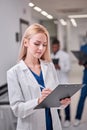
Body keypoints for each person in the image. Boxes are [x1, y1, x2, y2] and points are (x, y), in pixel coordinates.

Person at [7, 23, 70, 130]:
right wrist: (38, 101)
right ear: (26, 42)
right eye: (37, 44)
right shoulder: (14, 73)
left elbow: (55, 100)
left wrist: (63, 102)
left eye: (44, 45)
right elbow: (17, 109)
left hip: (53, 125)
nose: (41, 48)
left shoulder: (49, 67)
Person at [51, 38, 71, 128]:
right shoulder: (50, 56)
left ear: (59, 46)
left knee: (66, 102)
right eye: (53, 47)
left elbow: (68, 68)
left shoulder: (65, 55)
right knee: (56, 103)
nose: (54, 48)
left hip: (64, 82)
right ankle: (58, 118)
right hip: (54, 83)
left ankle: (67, 119)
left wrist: (60, 67)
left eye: (56, 47)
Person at [74, 38, 87, 126]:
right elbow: (80, 62)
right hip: (86, 75)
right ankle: (77, 118)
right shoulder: (83, 47)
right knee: (82, 97)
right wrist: (81, 61)